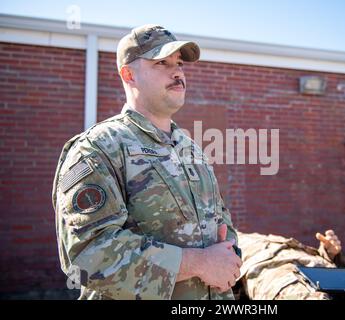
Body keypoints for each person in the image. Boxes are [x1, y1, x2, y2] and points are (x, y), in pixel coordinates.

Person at [52, 24, 242, 300]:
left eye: (179, 63)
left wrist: (230, 253)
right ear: (129, 74)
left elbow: (222, 222)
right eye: (162, 63)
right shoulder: (97, 148)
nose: (177, 71)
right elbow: (86, 256)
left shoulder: (190, 148)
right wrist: (198, 263)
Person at [234, 230, 345, 300]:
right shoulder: (216, 243)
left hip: (317, 268)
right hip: (273, 275)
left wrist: (329, 253)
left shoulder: (249, 234)